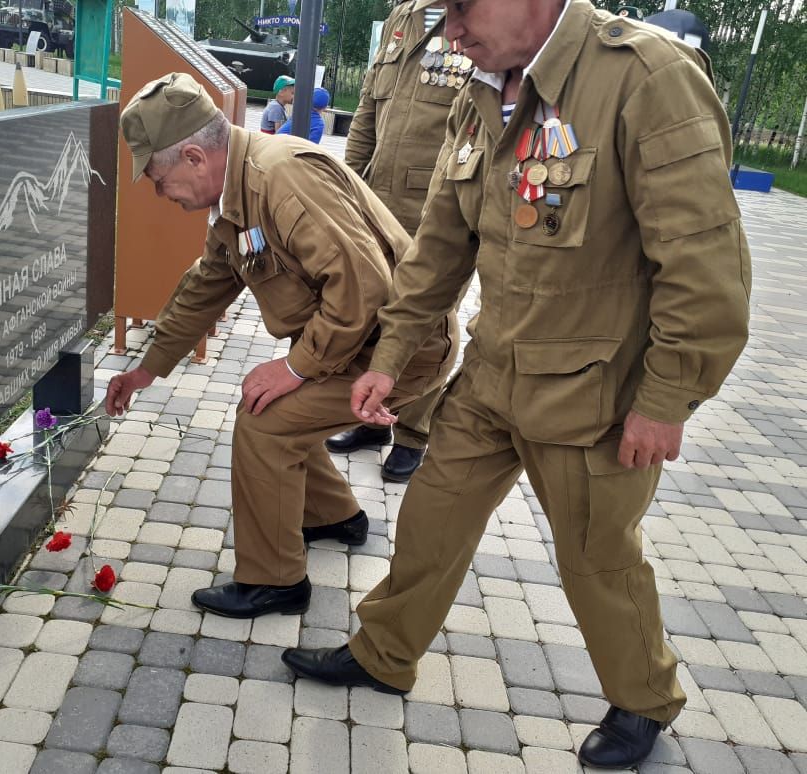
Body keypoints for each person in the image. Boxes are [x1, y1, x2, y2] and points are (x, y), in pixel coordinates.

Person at [281, 0, 751, 769]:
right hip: (494, 377)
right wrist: (389, 358)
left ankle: (643, 698)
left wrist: (669, 399)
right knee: (430, 520)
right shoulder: (482, 88)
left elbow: (705, 265)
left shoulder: (645, 77)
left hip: (594, 396)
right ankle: (383, 653)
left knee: (598, 561)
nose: (449, 30)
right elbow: (439, 246)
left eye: (464, 8)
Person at [107, 73, 457, 619]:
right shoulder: (239, 191)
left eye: (158, 177)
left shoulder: (281, 180)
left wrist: (295, 368)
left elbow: (362, 288)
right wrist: (146, 369)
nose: (158, 192)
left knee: (264, 421)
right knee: (278, 410)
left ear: (196, 157)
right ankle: (334, 516)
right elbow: (208, 283)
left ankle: (275, 581)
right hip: (357, 344)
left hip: (398, 352)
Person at [325, 0, 461, 482]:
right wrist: (349, 182)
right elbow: (367, 109)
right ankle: (373, 421)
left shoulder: (477, 18)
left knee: (428, 320)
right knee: (377, 312)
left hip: (437, 209)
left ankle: (413, 434)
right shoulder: (406, 17)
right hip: (377, 201)